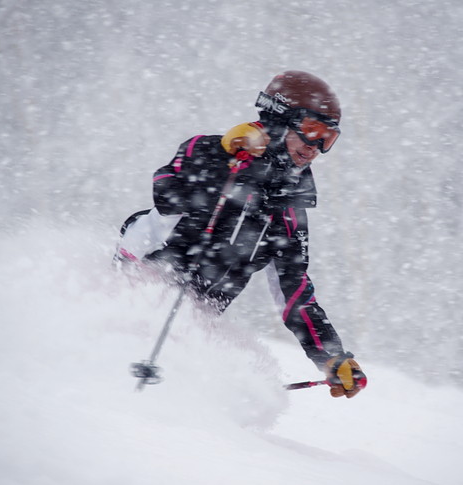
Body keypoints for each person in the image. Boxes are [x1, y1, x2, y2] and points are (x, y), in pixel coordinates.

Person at [115, 71, 366, 398]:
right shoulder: (217, 153)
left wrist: (331, 355)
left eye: (328, 138)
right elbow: (166, 192)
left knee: (194, 388)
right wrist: (223, 156)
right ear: (280, 119)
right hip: (133, 286)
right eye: (311, 130)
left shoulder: (287, 211)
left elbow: (294, 292)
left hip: (193, 318)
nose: (315, 146)